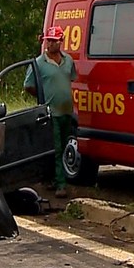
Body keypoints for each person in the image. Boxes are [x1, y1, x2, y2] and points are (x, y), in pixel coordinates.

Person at [24, 26, 78, 198]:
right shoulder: (39, 63)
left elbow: (71, 79)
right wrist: (42, 97)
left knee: (64, 147)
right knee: (55, 148)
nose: (50, 44)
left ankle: (55, 178)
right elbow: (28, 85)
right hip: (51, 112)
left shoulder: (68, 60)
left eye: (54, 41)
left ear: (61, 42)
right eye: (49, 40)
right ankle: (61, 184)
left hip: (66, 111)